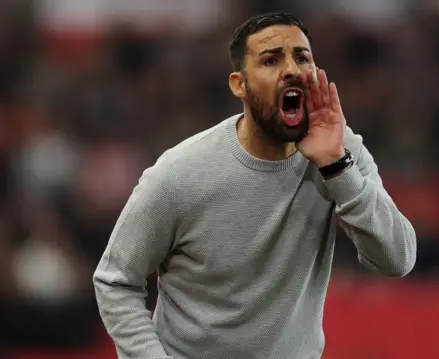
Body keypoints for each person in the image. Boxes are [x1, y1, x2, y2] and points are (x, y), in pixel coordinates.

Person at [93, 12, 416, 359]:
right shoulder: (179, 174)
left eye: (302, 57)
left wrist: (337, 168)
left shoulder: (340, 152)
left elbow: (397, 259)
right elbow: (116, 281)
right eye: (271, 60)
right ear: (239, 85)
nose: (291, 69)